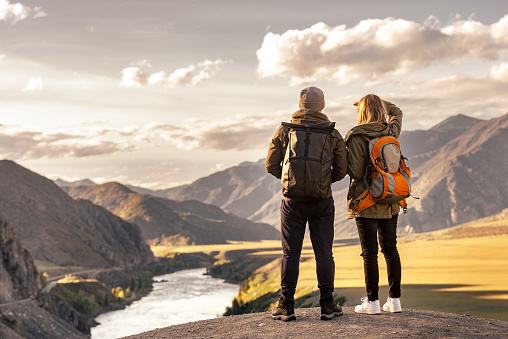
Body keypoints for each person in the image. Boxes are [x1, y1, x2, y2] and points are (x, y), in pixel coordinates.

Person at [266, 86, 348, 321]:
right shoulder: (332, 133)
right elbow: (341, 169)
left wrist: (291, 182)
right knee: (324, 251)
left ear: (300, 106)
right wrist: (322, 182)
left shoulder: (285, 130)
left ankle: (286, 306)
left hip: (292, 202)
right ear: (322, 106)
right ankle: (328, 305)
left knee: (290, 253)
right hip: (322, 201)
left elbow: (271, 165)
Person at [344, 94, 403, 315]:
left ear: (361, 112)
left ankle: (372, 303)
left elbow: (357, 172)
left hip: (366, 203)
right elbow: (397, 112)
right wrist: (383, 104)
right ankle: (394, 301)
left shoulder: (356, 136)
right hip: (390, 200)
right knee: (390, 249)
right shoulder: (391, 131)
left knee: (369, 253)